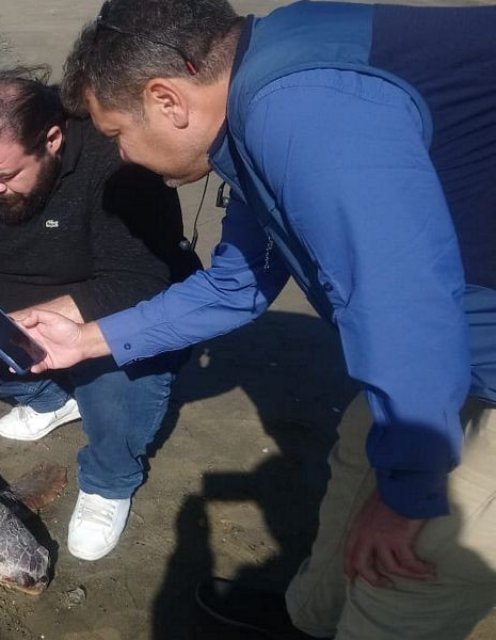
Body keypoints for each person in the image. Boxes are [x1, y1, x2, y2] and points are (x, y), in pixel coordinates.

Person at [26, 0, 496, 636]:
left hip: (459, 342)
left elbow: (401, 304)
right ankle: (311, 619)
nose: (126, 157)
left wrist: (409, 492)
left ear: (167, 100)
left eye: (116, 135)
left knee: (409, 568)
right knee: (358, 469)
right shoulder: (252, 101)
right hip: (446, 349)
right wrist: (86, 339)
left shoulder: (299, 107)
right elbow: (238, 283)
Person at [0, 67, 200, 561]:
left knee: (117, 383)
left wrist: (17, 325)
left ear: (51, 139)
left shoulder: (119, 164)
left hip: (116, 316)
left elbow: (137, 283)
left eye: (3, 176)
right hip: (20, 308)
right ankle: (52, 400)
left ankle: (110, 480)